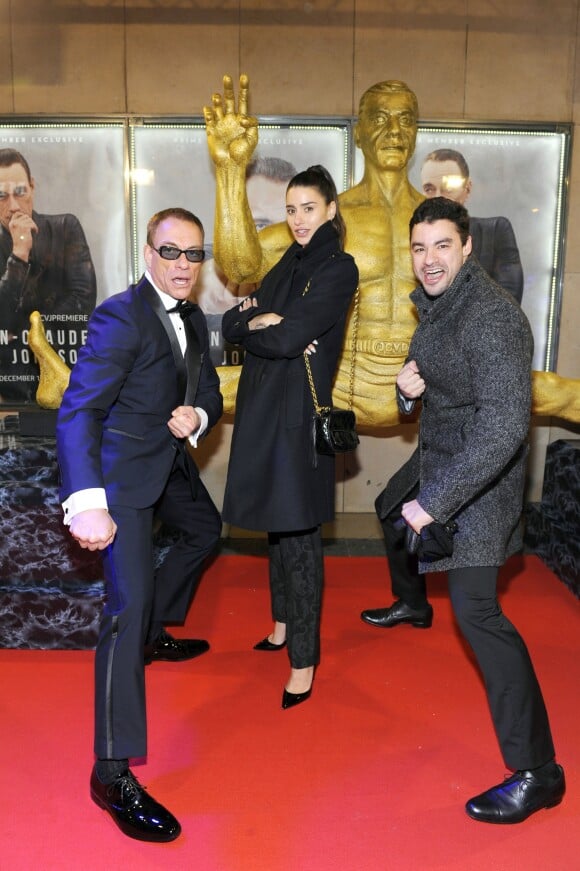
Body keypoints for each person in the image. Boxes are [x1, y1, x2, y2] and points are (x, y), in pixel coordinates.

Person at [362, 196, 564, 824]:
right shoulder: (440, 307)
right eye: (420, 248)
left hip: (481, 481)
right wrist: (405, 393)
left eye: (442, 246)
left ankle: (538, 772)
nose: (428, 260)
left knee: (479, 614)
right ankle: (414, 601)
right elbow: (430, 390)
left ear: (468, 245)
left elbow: (505, 428)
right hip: (440, 460)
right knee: (388, 507)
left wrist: (437, 503)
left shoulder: (493, 318)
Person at [56, 207, 223, 842]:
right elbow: (78, 412)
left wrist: (198, 418)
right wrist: (85, 500)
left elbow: (206, 389)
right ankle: (110, 771)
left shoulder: (196, 316)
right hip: (119, 482)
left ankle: (155, 627)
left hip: (167, 464)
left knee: (205, 533)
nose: (184, 265)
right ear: (149, 253)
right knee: (124, 612)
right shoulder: (121, 315)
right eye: (172, 252)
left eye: (194, 255)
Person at [204, 75, 423, 426]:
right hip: (335, 384)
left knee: (542, 389)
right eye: (380, 120)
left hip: (418, 386)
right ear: (359, 132)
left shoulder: (435, 223)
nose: (395, 131)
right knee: (195, 385)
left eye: (406, 120)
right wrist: (230, 169)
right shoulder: (327, 219)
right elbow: (242, 268)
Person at [221, 165, 358, 709]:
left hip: (299, 419)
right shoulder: (287, 261)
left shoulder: (338, 268)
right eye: (291, 209)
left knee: (299, 539)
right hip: (264, 413)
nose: (299, 219)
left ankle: (303, 662)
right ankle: (280, 626)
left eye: (309, 208)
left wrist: (273, 327)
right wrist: (261, 322)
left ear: (330, 210)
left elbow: (290, 338)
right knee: (277, 532)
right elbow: (233, 322)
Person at [0, 148, 96, 403]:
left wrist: (24, 328)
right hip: (10, 391)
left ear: (32, 187)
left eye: (20, 192)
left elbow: (82, 304)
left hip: (70, 381)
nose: (13, 206)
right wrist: (19, 256)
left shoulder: (65, 228)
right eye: (1, 196)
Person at [197, 155, 297, 366]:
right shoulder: (199, 280)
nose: (271, 239)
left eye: (282, 229)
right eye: (258, 226)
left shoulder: (314, 281)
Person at [420, 148, 524, 302]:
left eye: (448, 187)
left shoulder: (494, 232)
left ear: (467, 189)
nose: (438, 197)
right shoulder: (414, 240)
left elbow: (508, 305)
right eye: (429, 189)